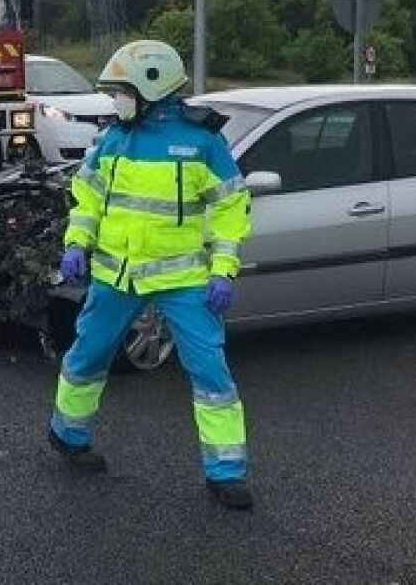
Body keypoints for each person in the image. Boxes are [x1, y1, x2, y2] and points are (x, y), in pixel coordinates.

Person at [45, 40, 255, 510]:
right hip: (115, 275)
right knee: (87, 357)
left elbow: (230, 208)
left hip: (183, 279)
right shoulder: (114, 138)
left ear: (152, 87)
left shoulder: (203, 142)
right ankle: (68, 435)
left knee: (210, 373)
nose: (116, 100)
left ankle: (226, 473)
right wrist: (76, 243)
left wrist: (224, 270)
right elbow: (87, 198)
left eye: (122, 92)